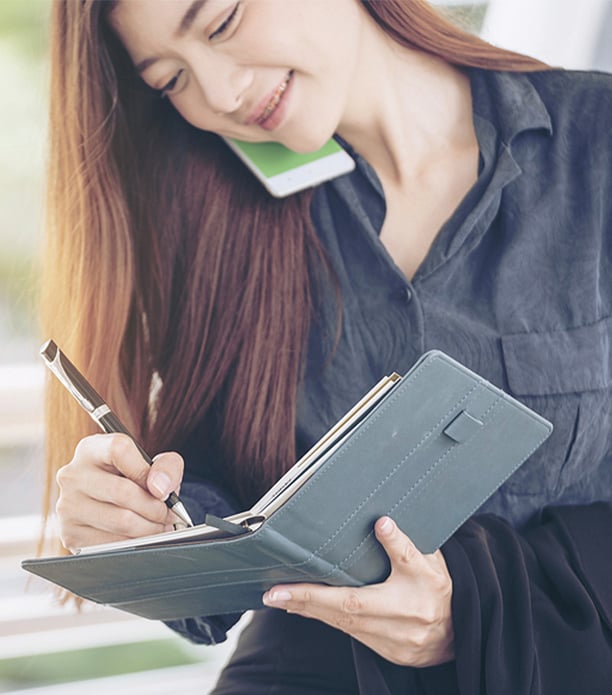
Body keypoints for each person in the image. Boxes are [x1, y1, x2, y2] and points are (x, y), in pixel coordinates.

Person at [41, 1, 611, 693]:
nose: (219, 95)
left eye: (220, 23)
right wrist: (147, 521)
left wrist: (474, 607)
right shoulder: (220, 213)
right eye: (170, 79)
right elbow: (234, 508)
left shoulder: (595, 147)